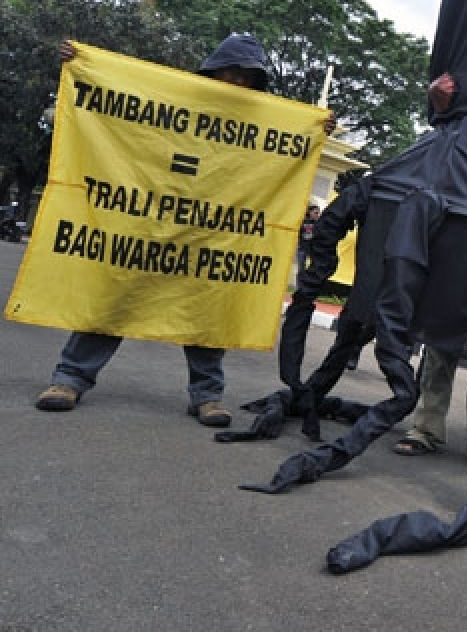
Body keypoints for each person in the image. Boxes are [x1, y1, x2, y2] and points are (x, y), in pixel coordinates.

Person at [34, 33, 332, 428]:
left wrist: (314, 130)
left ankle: (207, 397)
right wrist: (82, 65)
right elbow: (119, 107)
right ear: (212, 70)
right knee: (113, 301)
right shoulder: (173, 100)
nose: (238, 82)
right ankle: (68, 380)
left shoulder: (260, 123)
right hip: (145, 227)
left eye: (248, 77)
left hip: (208, 237)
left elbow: (278, 160)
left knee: (204, 313)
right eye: (231, 71)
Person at [297, 204, 320, 269]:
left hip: (313, 249)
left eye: (318, 213)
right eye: (316, 213)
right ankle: (300, 278)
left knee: (314, 267)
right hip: (302, 248)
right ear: (310, 212)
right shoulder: (302, 221)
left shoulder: (318, 223)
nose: (317, 215)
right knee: (301, 268)